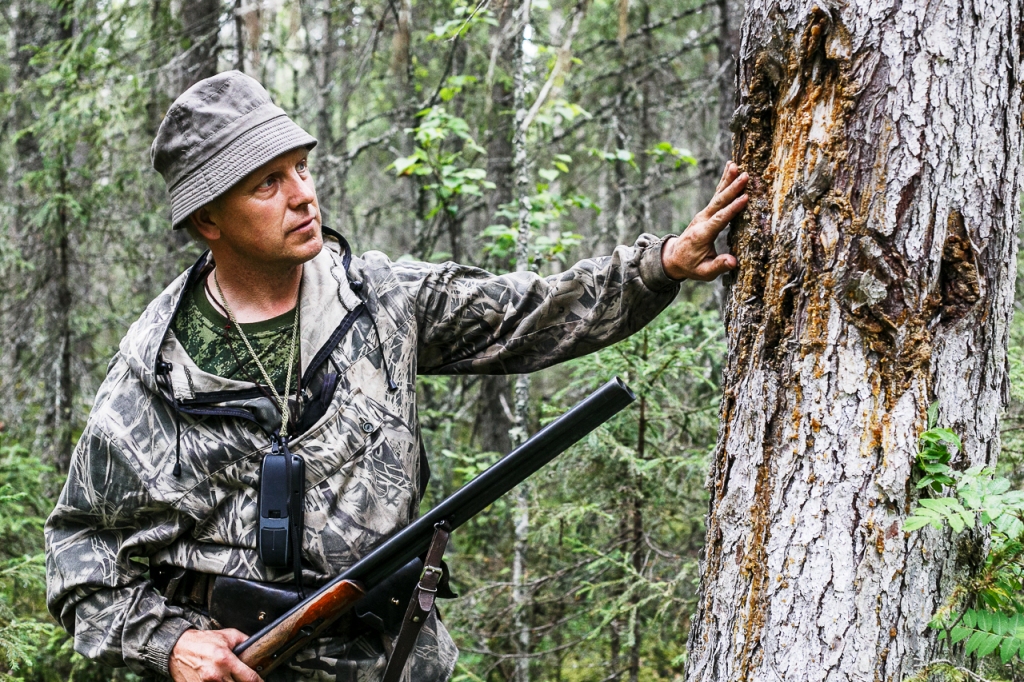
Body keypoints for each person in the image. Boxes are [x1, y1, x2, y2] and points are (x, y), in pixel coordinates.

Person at [44, 71, 748, 682]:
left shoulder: (381, 301)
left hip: (398, 663)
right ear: (207, 219)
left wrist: (659, 266)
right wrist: (173, 646)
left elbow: (525, 313)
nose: (302, 196)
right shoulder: (157, 375)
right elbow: (80, 565)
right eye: (268, 182)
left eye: (301, 170)